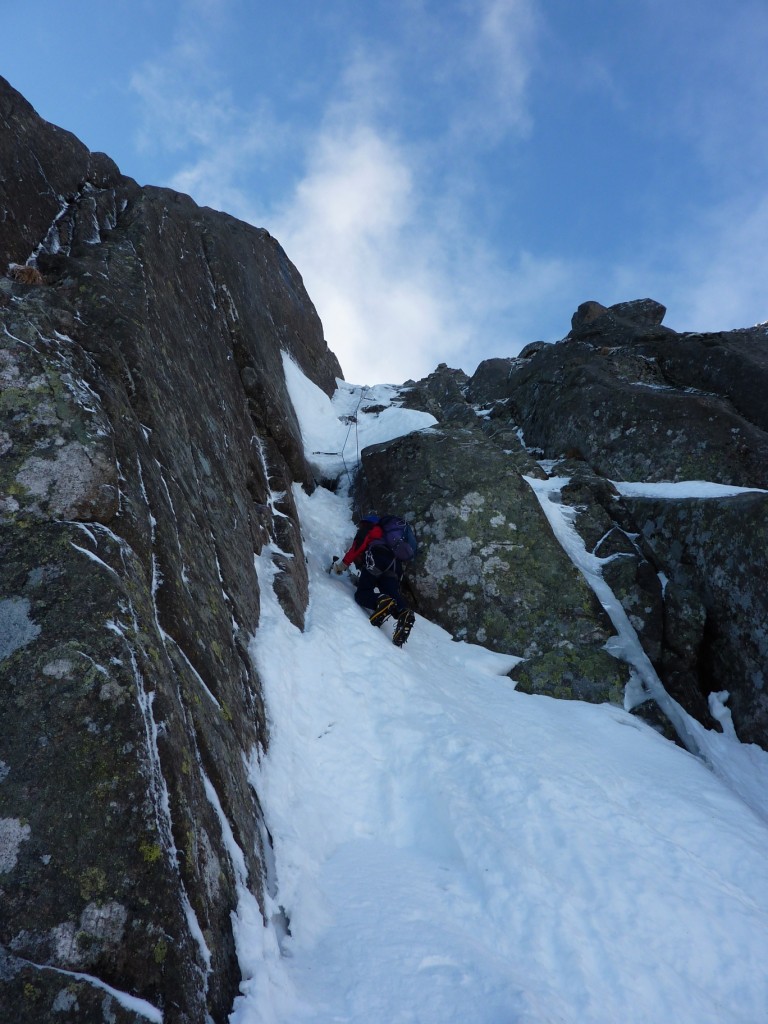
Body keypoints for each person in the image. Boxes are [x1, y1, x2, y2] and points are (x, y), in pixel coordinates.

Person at [333, 515, 416, 646]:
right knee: (392, 593)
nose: (359, 527)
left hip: (377, 557)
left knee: (362, 593)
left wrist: (342, 565)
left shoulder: (370, 528)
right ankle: (403, 612)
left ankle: (381, 602)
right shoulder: (389, 537)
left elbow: (357, 547)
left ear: (366, 522)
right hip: (395, 566)